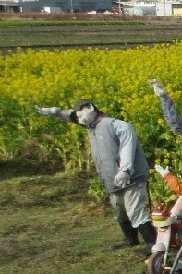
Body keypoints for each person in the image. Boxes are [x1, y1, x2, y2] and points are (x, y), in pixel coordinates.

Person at [33, 100, 154, 252]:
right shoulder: (91, 126)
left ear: (90, 108)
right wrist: (55, 112)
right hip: (112, 180)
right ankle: (131, 240)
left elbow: (127, 148)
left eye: (81, 115)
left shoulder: (117, 125)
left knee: (136, 212)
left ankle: (153, 244)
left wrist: (125, 170)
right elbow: (71, 116)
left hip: (131, 178)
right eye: (78, 117)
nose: (80, 119)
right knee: (120, 213)